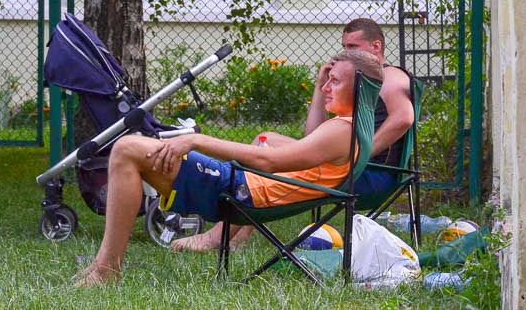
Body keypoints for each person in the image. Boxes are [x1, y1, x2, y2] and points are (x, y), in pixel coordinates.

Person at [74, 50, 382, 287]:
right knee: (135, 149)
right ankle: (104, 264)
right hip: (252, 186)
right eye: (326, 79)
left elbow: (269, 162)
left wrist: (195, 140)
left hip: (245, 192)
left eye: (335, 81)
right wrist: (320, 85)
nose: (327, 86)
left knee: (127, 149)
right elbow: (303, 144)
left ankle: (106, 268)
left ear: (359, 89)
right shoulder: (354, 127)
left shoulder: (343, 131)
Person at [170, 18, 414, 252]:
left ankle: (218, 236)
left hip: (370, 172)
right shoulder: (352, 82)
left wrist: (363, 152)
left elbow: (404, 117)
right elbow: (313, 136)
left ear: (376, 46)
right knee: (265, 140)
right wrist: (321, 86)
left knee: (268, 156)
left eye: (353, 47)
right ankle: (239, 232)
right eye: (344, 47)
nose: (346, 53)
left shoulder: (388, 75)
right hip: (346, 160)